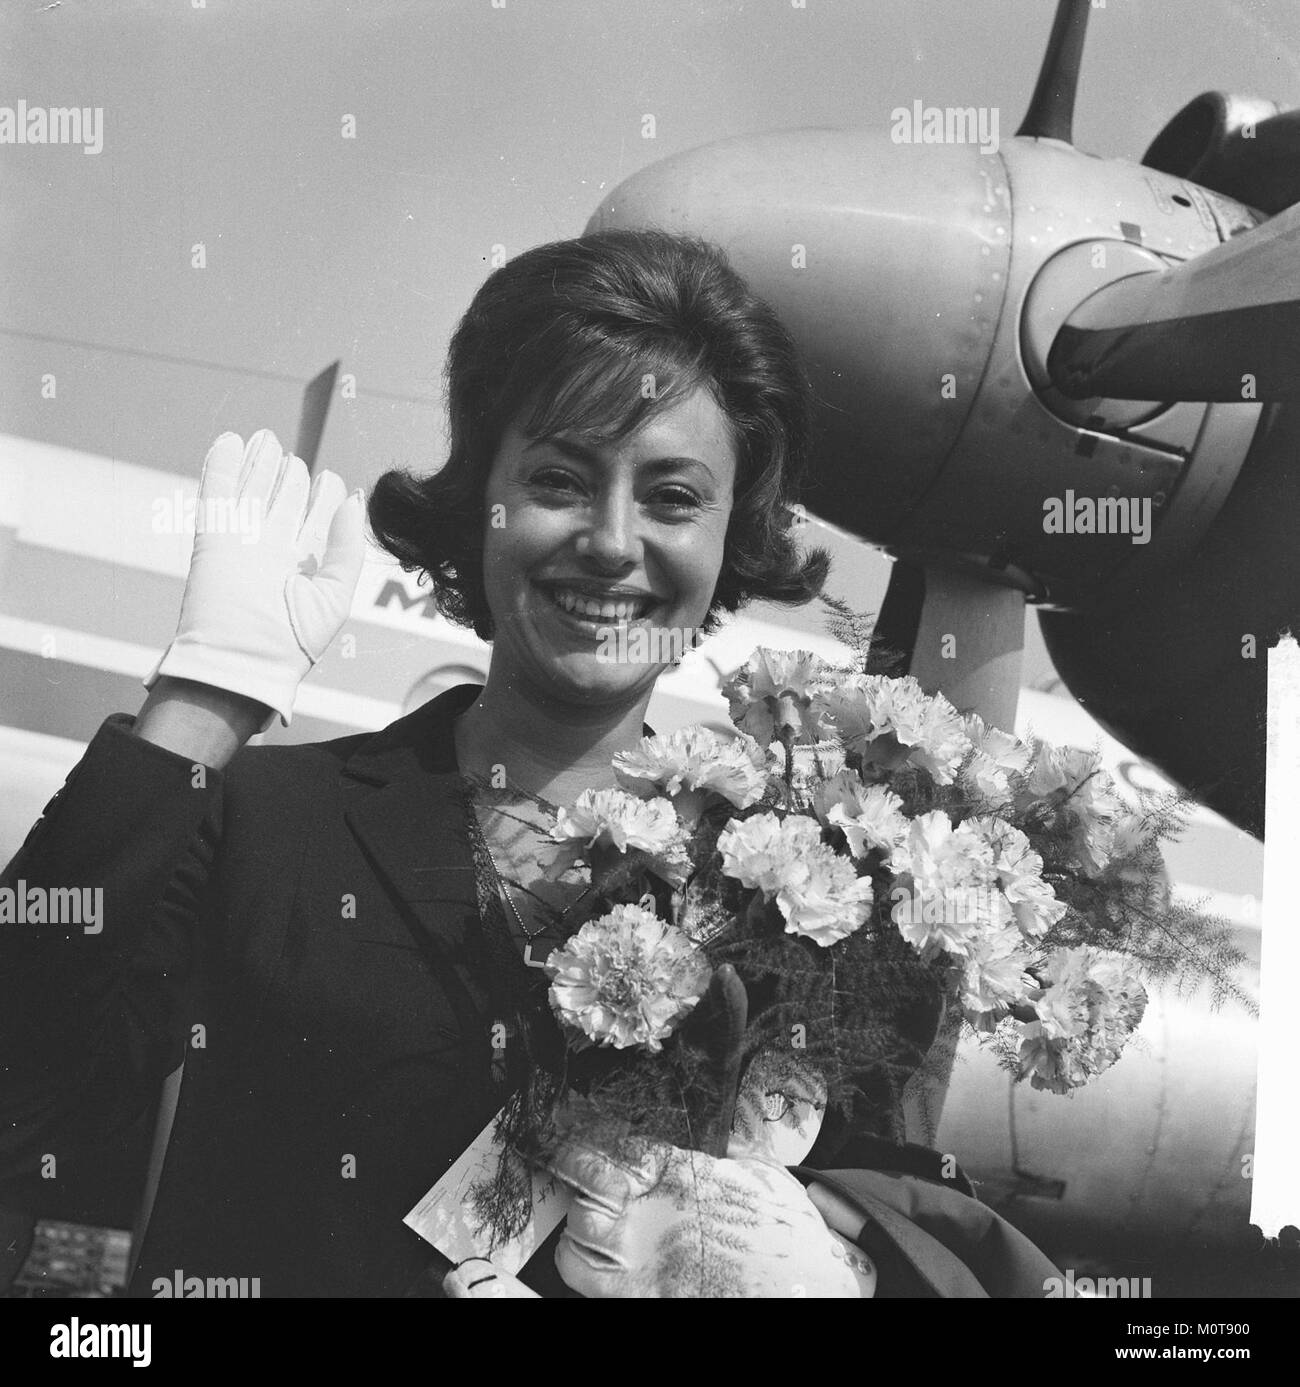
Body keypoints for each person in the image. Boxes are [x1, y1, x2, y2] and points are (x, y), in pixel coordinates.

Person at [0, 230, 1061, 1298]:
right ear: (482, 504)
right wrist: (203, 698)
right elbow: (19, 1085)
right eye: (560, 477)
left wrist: (847, 1270)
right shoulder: (271, 820)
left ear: (729, 536)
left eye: (672, 496)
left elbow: (900, 1206)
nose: (609, 539)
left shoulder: (813, 914)